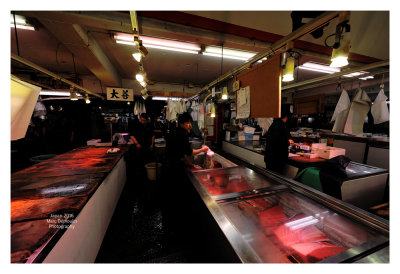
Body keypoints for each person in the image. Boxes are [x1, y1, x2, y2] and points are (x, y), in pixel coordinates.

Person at [264, 109, 293, 175]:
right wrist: (288, 142)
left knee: (271, 178)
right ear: (285, 117)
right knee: (276, 178)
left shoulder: (274, 124)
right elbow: (279, 143)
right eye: (287, 117)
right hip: (277, 160)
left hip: (270, 158)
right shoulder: (280, 126)